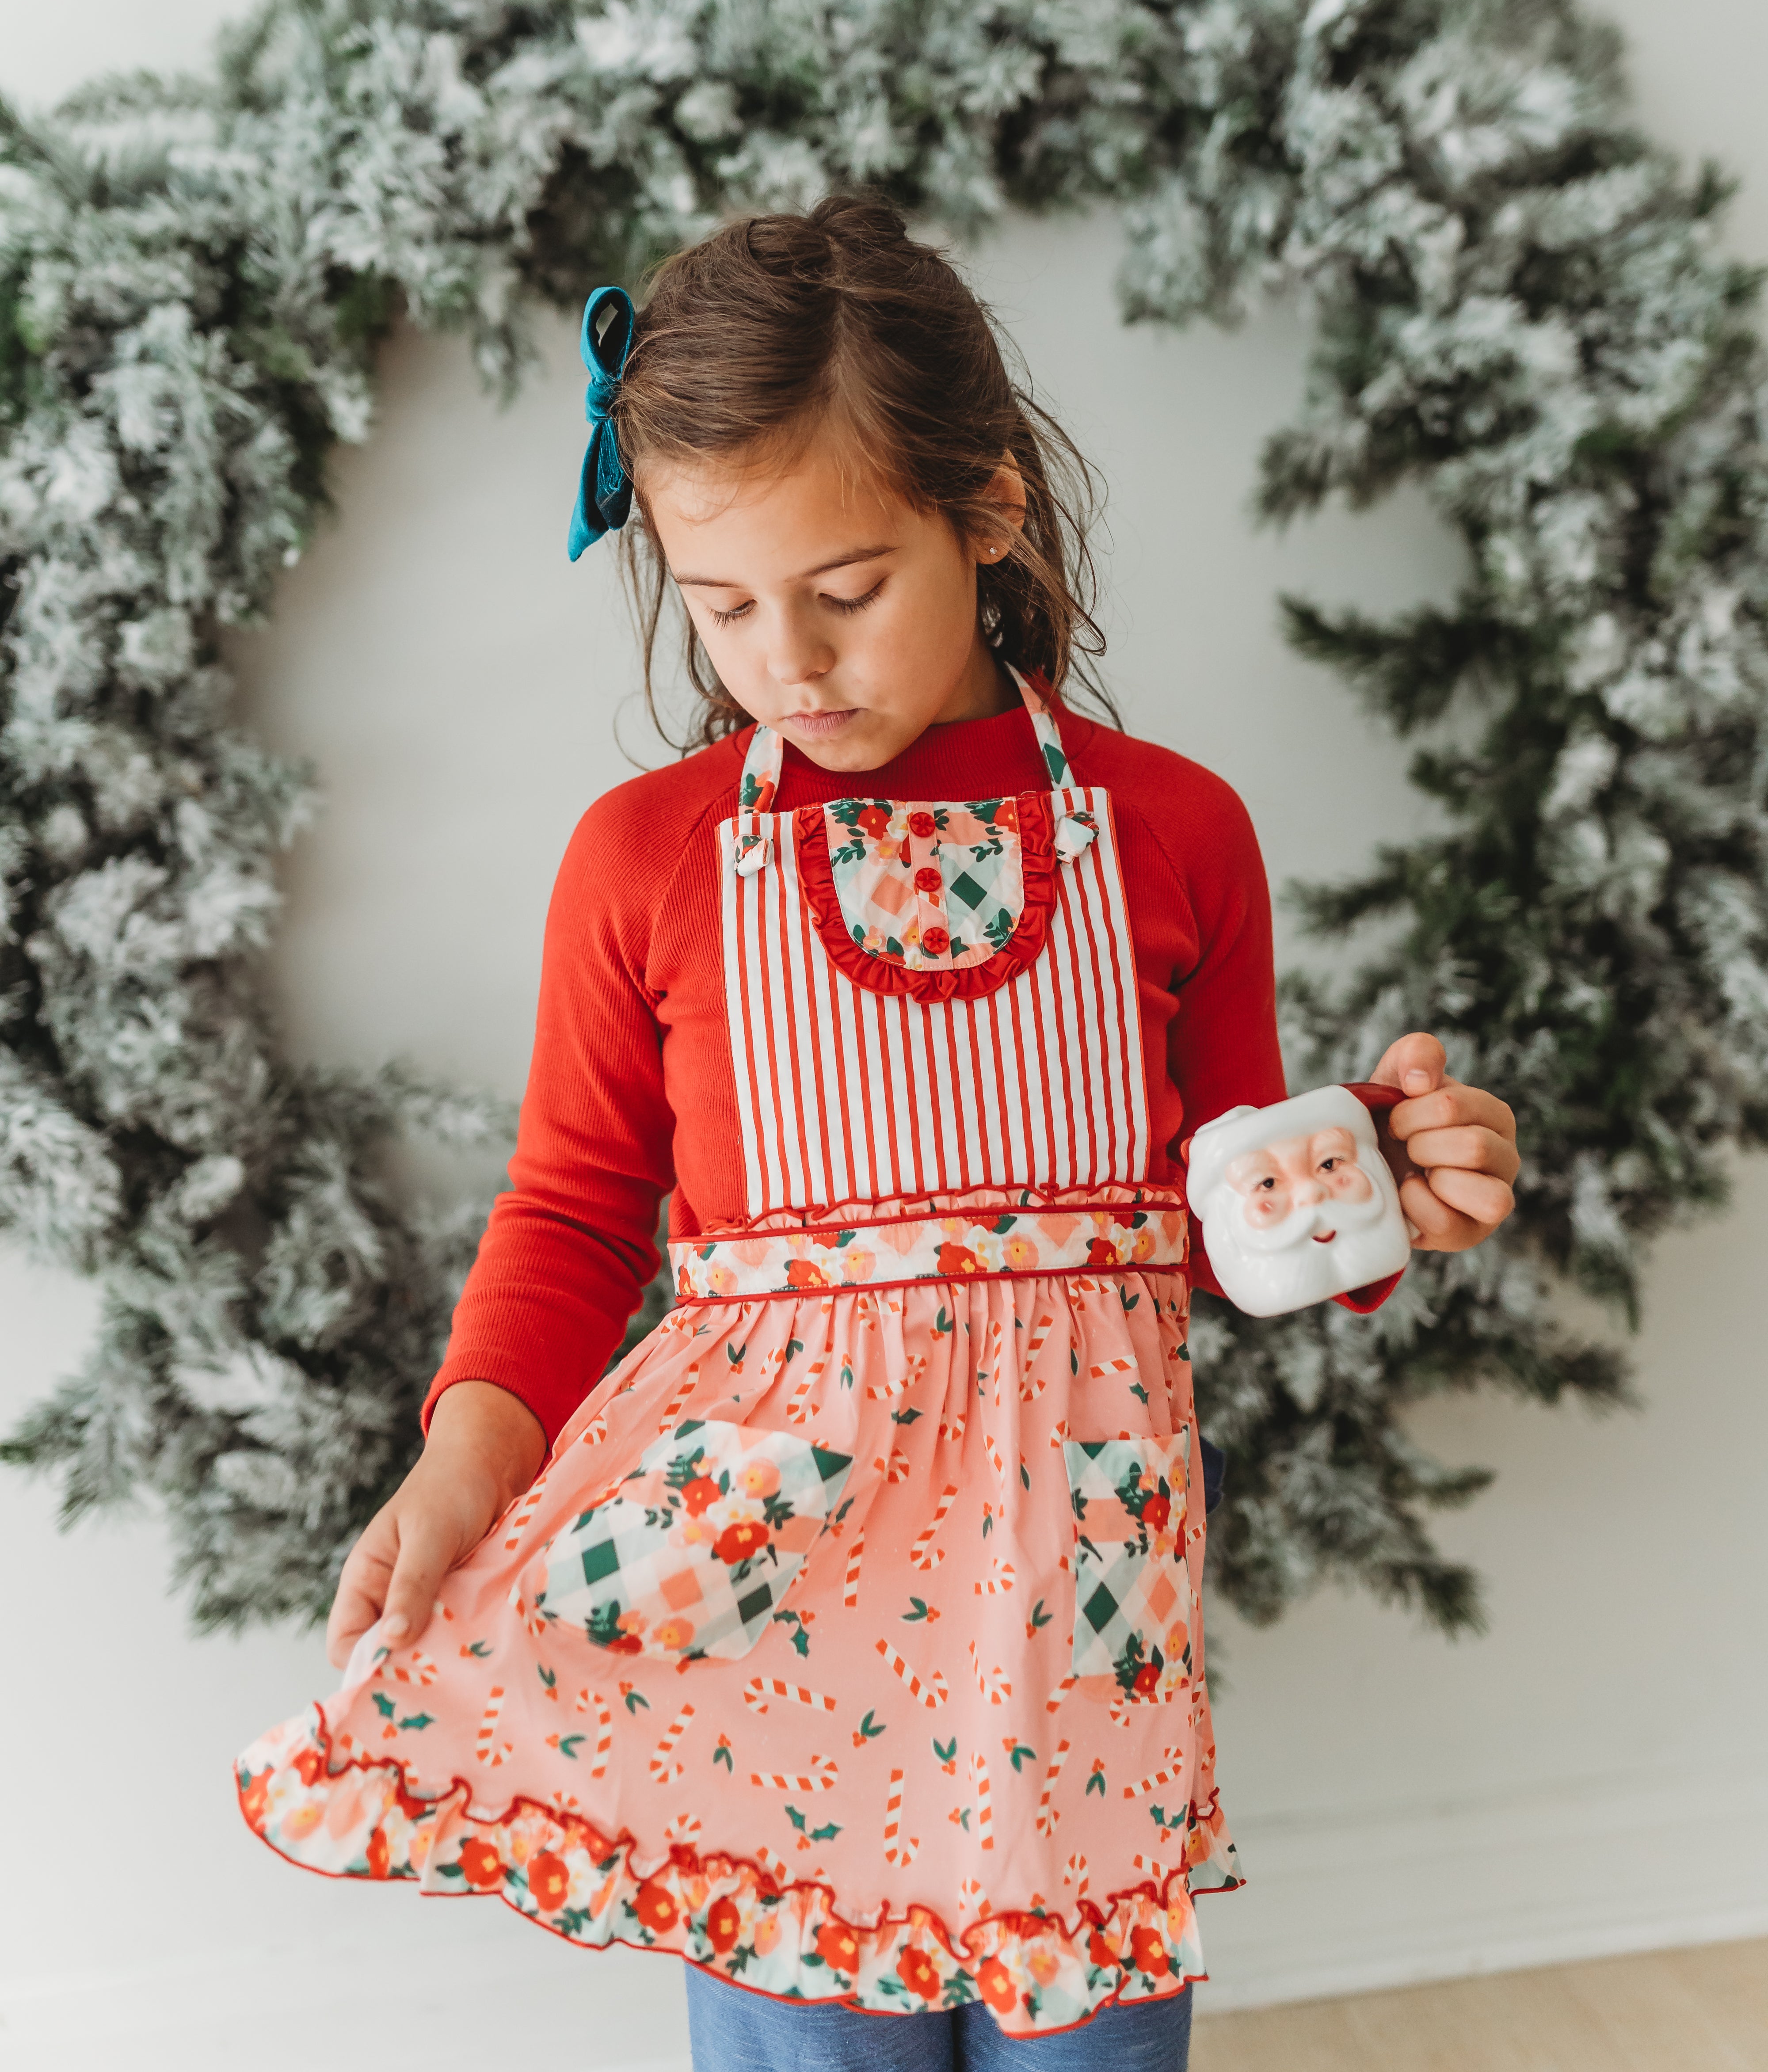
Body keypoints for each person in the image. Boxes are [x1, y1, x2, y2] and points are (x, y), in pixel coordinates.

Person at [236, 194, 1520, 2069]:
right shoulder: (644, 863)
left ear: (984, 512)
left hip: (1076, 1593)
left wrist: (1385, 1185)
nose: (789, 662)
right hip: (769, 1588)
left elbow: (1238, 1191)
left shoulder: (1172, 832)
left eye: (845, 591)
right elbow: (577, 1207)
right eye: (725, 604)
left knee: (1090, 2045)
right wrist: (464, 1461)